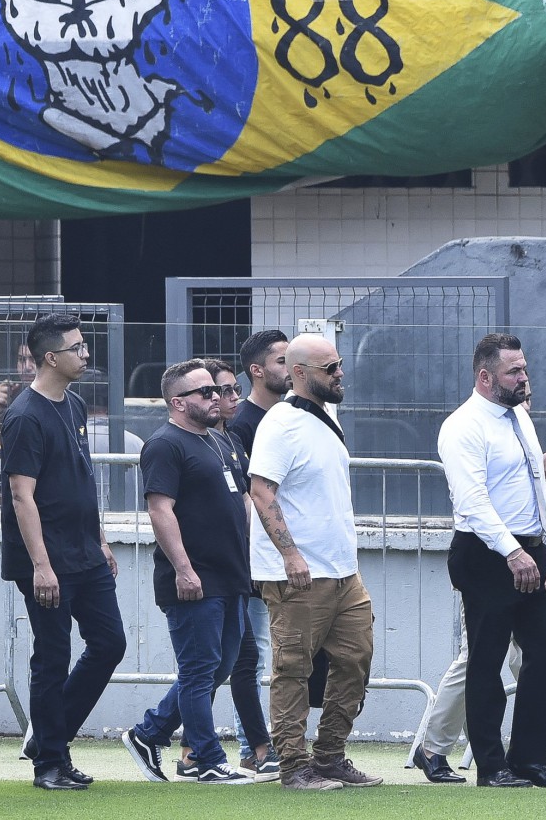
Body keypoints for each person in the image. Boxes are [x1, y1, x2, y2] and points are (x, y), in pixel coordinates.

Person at [437, 333, 546, 789]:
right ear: (485, 377)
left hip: (531, 546)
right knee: (486, 659)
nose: (525, 378)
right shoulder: (462, 426)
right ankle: (491, 765)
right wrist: (513, 551)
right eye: (514, 371)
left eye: (524, 368)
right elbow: (473, 502)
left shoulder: (519, 416)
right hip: (486, 553)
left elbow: (535, 484)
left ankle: (532, 761)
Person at [0, 312, 126, 791]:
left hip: (84, 552)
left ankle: (49, 737)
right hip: (47, 561)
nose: (86, 354)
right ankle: (50, 763)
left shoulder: (72, 405)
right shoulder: (25, 415)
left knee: (110, 642)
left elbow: (81, 482)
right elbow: (20, 495)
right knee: (52, 657)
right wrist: (41, 566)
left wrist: (99, 540)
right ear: (50, 357)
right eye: (77, 348)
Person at [248, 332, 380, 790]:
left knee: (356, 658)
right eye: (330, 368)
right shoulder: (280, 423)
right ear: (300, 374)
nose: (340, 373)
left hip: (342, 571)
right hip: (300, 574)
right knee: (293, 668)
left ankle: (329, 756)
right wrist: (290, 555)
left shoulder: (323, 417)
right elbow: (261, 492)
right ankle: (292, 765)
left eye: (339, 364)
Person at [121, 361, 256, 785]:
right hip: (194, 579)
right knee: (200, 671)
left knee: (219, 668)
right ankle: (206, 757)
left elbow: (245, 500)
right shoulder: (164, 444)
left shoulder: (222, 441)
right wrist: (183, 569)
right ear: (178, 402)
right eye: (204, 393)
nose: (215, 397)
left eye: (216, 391)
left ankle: (149, 733)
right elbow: (160, 509)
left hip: (232, 575)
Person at [224, 329, 291, 779]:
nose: (290, 369)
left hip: (283, 557)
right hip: (252, 558)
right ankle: (253, 745)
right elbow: (251, 495)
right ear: (258, 370)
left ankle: (263, 743)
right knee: (248, 653)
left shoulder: (289, 417)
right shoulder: (243, 424)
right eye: (282, 361)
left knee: (263, 652)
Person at [204, 357, 274, 778]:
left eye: (233, 389)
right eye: (222, 391)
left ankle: (252, 747)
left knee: (240, 658)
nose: (232, 398)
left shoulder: (228, 442)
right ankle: (171, 737)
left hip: (244, 568)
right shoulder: (181, 444)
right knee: (214, 664)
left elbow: (248, 503)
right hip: (211, 573)